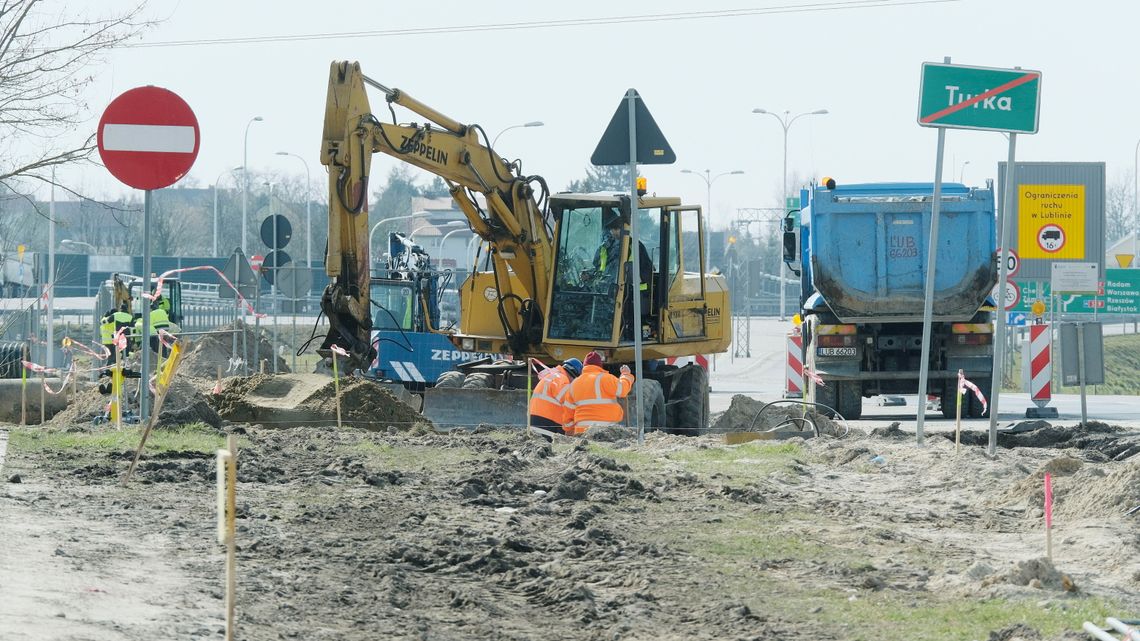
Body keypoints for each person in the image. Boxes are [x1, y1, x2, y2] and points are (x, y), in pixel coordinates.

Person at [563, 351, 635, 436]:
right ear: (600, 366)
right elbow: (623, 390)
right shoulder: (607, 378)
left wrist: (569, 431)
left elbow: (568, 415)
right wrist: (626, 375)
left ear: (584, 366)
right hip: (607, 431)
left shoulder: (574, 384)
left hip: (582, 432)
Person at [528, 357, 582, 434]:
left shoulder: (552, 376)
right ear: (573, 374)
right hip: (548, 422)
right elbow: (568, 400)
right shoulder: (562, 379)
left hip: (537, 419)